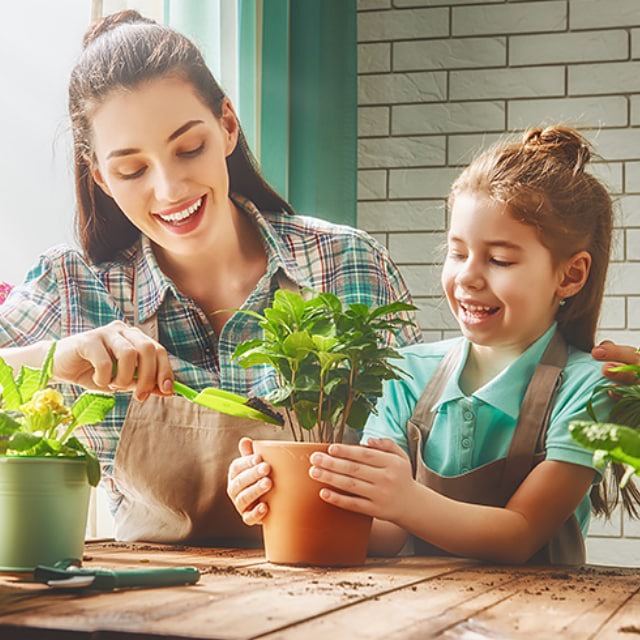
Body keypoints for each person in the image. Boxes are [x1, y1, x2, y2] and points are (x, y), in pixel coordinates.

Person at [0, 11, 421, 543]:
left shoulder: (347, 265)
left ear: (226, 125)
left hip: (341, 596)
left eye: (188, 148)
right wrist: (54, 360)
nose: (170, 189)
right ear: (101, 176)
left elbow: (417, 481)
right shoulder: (75, 287)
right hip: (151, 612)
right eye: (132, 170)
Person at [228, 125, 639, 565]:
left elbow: (521, 533)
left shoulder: (591, 389)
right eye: (458, 253)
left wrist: (405, 500)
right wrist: (279, 492)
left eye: (499, 259)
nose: (467, 277)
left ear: (570, 275)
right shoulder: (406, 372)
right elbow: (383, 533)